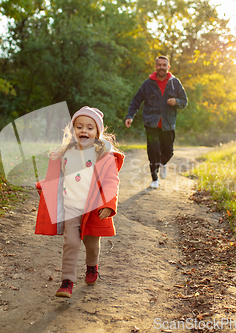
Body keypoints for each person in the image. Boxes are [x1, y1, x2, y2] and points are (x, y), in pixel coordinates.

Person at [35, 106, 124, 298]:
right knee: (71, 242)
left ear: (98, 132)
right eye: (79, 126)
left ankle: (92, 266)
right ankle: (67, 281)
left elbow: (111, 182)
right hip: (71, 206)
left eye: (90, 128)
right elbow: (57, 177)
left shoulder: (103, 157)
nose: (84, 130)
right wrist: (45, 186)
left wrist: (109, 204)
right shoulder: (65, 153)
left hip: (93, 208)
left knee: (91, 244)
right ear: (73, 130)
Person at [125, 55, 187, 189]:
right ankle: (154, 178)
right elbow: (136, 101)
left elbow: (184, 101)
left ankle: (163, 163)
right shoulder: (148, 84)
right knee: (153, 151)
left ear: (168, 67)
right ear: (156, 66)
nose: (162, 68)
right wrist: (130, 116)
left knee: (168, 151)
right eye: (159, 65)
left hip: (168, 123)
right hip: (151, 123)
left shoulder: (174, 83)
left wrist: (176, 101)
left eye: (164, 65)